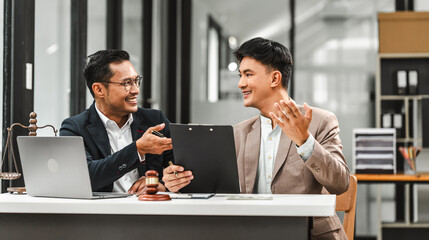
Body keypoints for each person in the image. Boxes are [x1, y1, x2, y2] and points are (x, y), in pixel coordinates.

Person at [163, 37, 350, 239]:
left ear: (275, 79)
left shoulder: (320, 121)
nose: (241, 83)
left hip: (309, 234)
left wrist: (305, 141)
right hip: (253, 232)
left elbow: (340, 183)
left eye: (248, 74)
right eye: (240, 75)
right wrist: (178, 184)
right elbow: (216, 189)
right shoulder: (238, 133)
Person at [60, 50, 173, 194]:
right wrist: (138, 149)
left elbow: (181, 168)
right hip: (101, 213)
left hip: (149, 211)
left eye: (136, 81)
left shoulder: (155, 121)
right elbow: (83, 177)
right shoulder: (74, 128)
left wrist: (160, 184)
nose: (136, 90)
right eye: (127, 83)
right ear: (99, 89)